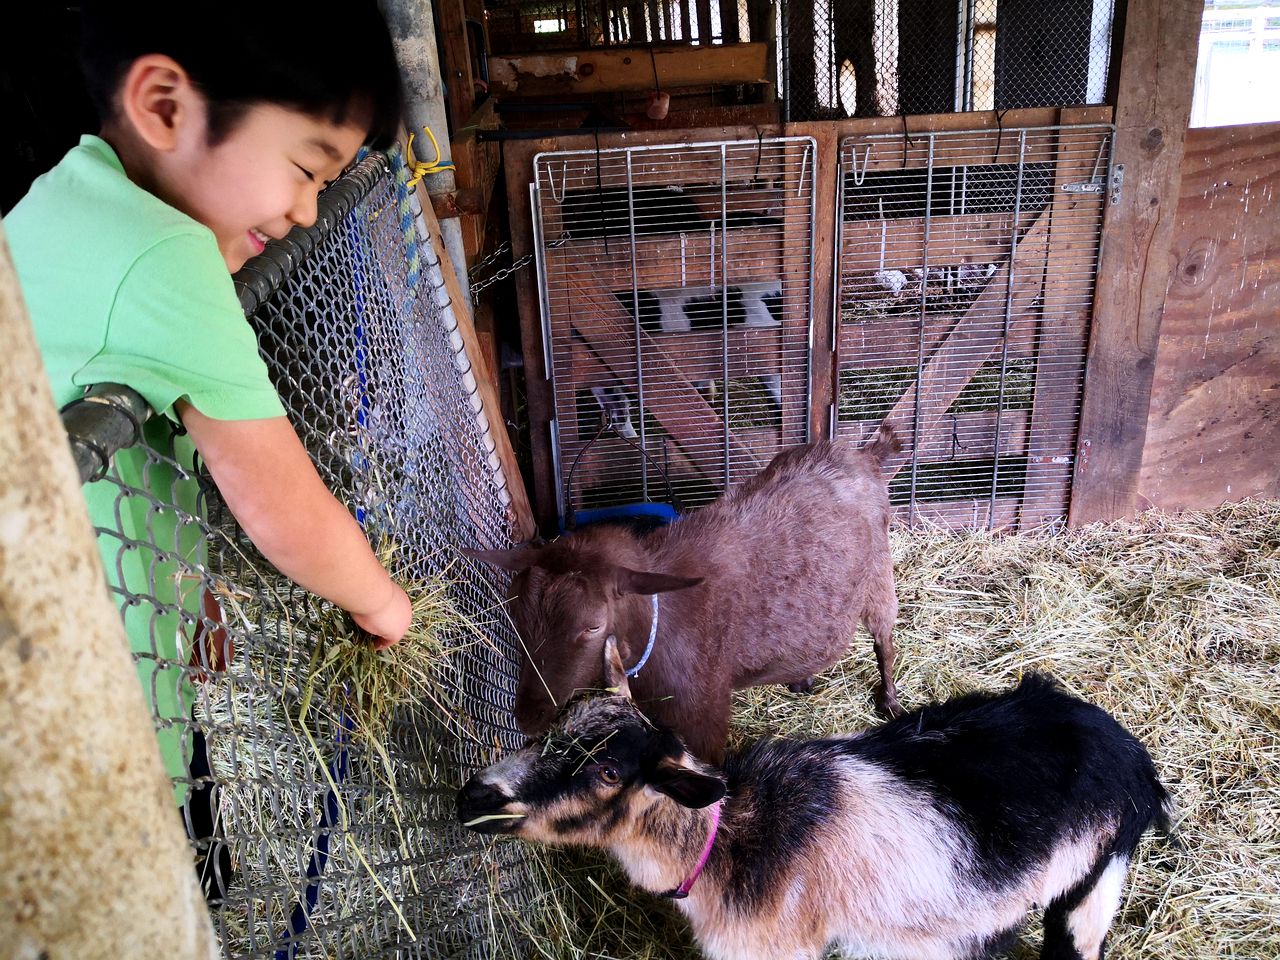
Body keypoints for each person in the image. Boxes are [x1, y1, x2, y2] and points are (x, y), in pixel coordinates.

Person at [4, 0, 412, 831]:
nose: (306, 212)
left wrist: (198, 599)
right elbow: (285, 509)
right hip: (94, 695)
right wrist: (382, 604)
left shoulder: (58, 199)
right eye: (307, 168)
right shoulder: (169, 259)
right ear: (165, 106)